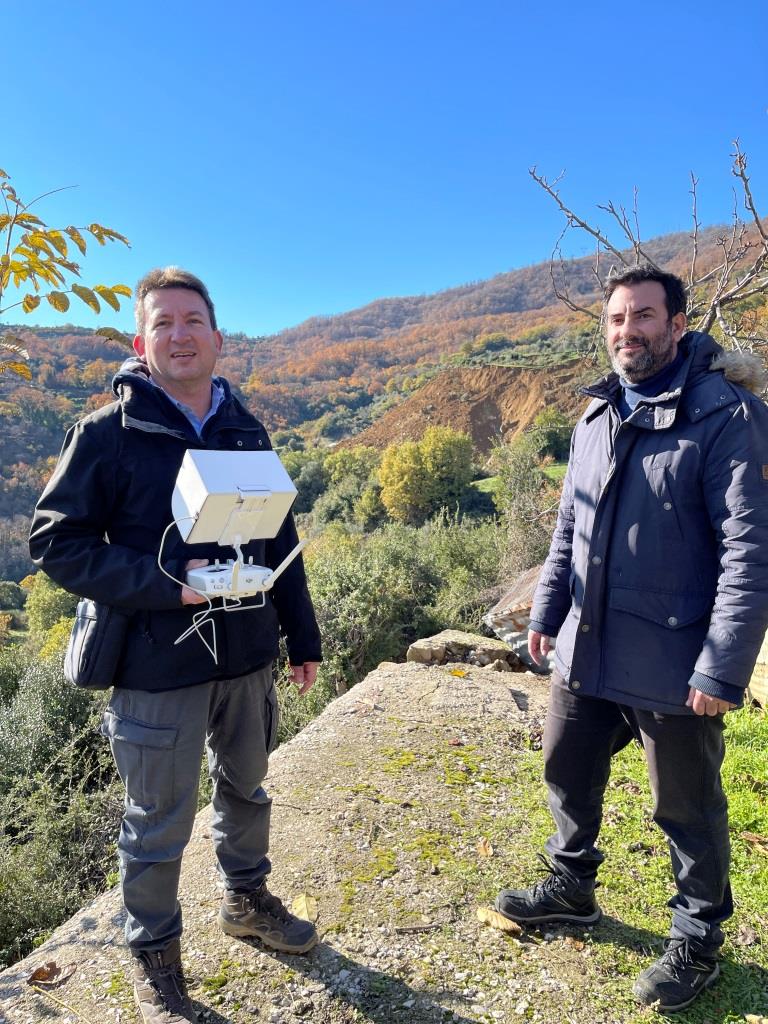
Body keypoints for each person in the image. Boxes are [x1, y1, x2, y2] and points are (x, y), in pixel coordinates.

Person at [29, 267, 323, 1024]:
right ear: (141, 343)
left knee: (248, 790)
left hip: (248, 655)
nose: (180, 334)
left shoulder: (245, 428)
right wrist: (169, 583)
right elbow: (55, 543)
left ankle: (246, 900)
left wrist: (302, 635)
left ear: (218, 338)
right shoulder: (106, 434)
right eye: (163, 323)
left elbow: (280, 538)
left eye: (193, 321)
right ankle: (155, 959)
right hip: (155, 664)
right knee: (157, 822)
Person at [494, 265, 768, 1012]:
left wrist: (722, 667)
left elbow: (750, 551)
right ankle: (570, 886)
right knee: (566, 767)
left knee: (686, 806)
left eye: (644, 316)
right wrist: (546, 612)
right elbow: (569, 526)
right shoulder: (596, 414)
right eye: (617, 318)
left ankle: (697, 940)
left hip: (674, 658)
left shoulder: (726, 416)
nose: (628, 331)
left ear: (677, 324)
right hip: (586, 643)